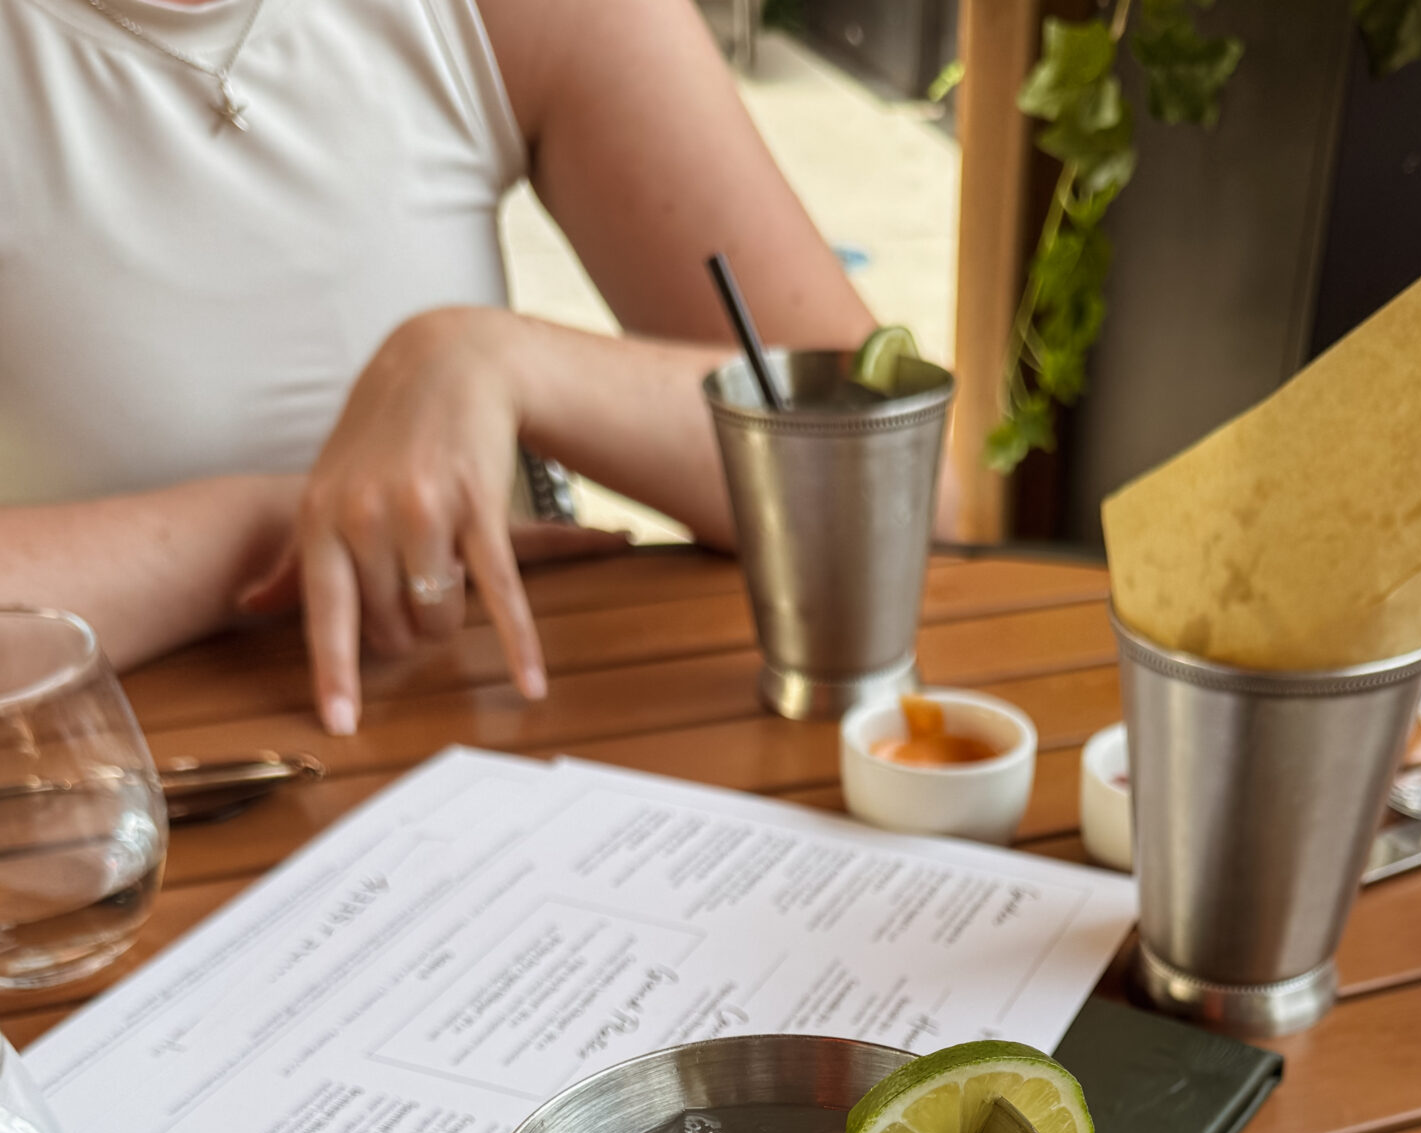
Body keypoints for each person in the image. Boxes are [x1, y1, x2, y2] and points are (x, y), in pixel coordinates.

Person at [0, 0, 876, 731]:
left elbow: (894, 480)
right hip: (92, 829)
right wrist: (283, 528)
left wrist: (506, 359)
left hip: (498, 771)